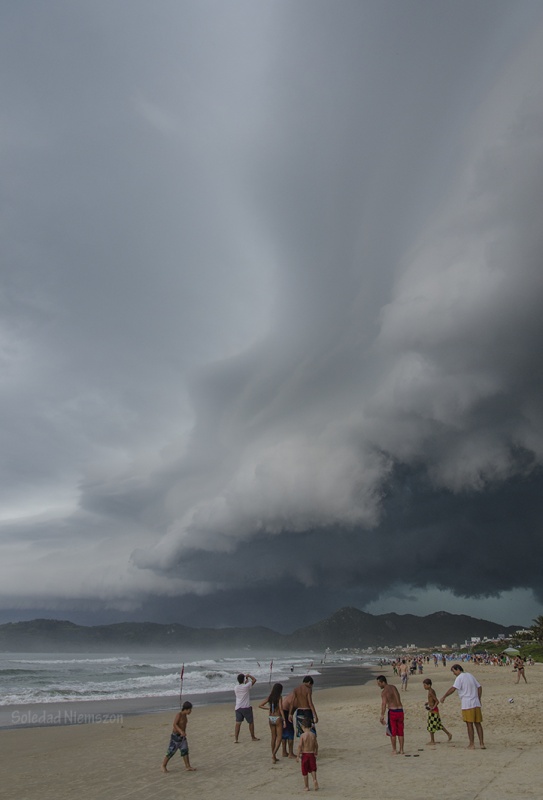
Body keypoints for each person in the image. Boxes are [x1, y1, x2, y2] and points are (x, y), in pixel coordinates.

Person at [439, 664, 485, 750]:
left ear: (457, 670)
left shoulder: (460, 677)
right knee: (478, 723)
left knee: (469, 724)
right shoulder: (470, 675)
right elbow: (479, 687)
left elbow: (453, 689)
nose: (453, 673)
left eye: (453, 671)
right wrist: (478, 698)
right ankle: (481, 743)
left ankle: (472, 744)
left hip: (467, 704)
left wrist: (444, 696)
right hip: (476, 703)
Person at [161, 701, 196, 772]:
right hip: (175, 737)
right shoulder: (179, 715)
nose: (190, 711)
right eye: (189, 710)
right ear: (185, 709)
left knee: (185, 750)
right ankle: (163, 765)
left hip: (182, 737)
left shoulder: (185, 716)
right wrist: (181, 731)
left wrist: (183, 733)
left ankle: (188, 766)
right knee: (171, 751)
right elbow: (174, 724)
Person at [377, 675, 404, 755]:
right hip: (400, 710)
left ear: (383, 682)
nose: (378, 685)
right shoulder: (393, 687)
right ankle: (402, 750)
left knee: (393, 732)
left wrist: (382, 715)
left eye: (379, 683)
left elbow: (384, 704)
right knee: (400, 731)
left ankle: (394, 750)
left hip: (393, 711)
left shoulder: (384, 692)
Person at [258, 682, 285, 763]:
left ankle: (274, 755)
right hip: (277, 717)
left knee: (273, 737)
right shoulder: (279, 697)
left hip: (271, 718)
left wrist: (268, 709)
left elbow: (260, 705)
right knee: (279, 738)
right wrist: (284, 719)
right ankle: (274, 754)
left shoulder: (270, 697)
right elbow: (280, 709)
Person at [288, 676, 318, 743]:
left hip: (299, 711)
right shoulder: (308, 690)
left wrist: (290, 713)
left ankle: (303, 748)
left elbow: (292, 702)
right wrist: (315, 715)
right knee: (311, 730)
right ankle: (311, 747)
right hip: (307, 711)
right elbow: (310, 703)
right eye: (311, 685)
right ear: (309, 682)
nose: (311, 687)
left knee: (301, 731)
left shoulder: (296, 689)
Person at [423, 679, 452, 745]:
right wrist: (428, 702)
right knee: (438, 725)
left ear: (429, 685)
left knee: (431, 726)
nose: (424, 686)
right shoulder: (431, 691)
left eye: (425, 685)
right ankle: (449, 734)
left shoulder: (431, 692)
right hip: (433, 710)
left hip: (433, 711)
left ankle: (432, 741)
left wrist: (433, 707)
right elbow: (433, 700)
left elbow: (437, 701)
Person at [234, 672, 260, 743]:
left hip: (238, 707)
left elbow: (244, 686)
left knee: (238, 723)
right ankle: (253, 737)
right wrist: (248, 676)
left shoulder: (236, 687)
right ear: (243, 680)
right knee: (250, 722)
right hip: (246, 707)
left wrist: (246, 681)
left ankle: (236, 739)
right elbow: (254, 680)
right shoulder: (246, 686)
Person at [296, 719, 319, 792]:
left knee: (304, 771)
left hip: (305, 754)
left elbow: (300, 745)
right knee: (313, 768)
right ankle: (314, 779)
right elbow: (316, 744)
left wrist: (297, 755)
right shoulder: (313, 735)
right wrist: (316, 751)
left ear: (303, 727)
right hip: (311, 754)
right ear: (311, 727)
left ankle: (306, 786)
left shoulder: (303, 735)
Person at [281, 690, 296, 758]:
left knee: (284, 732)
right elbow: (292, 704)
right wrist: (291, 714)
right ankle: (290, 753)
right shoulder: (294, 696)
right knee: (290, 732)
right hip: (285, 712)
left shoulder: (290, 695)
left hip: (282, 712)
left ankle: (284, 752)